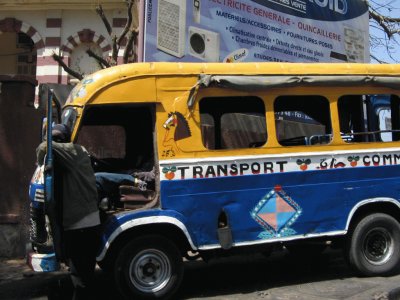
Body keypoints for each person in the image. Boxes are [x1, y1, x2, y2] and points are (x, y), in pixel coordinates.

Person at [36, 124, 100, 300]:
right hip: (84, 221)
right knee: (82, 272)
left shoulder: (72, 151)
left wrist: (46, 138)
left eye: (57, 139)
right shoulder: (74, 154)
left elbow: (43, 147)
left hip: (81, 223)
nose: (56, 143)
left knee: (80, 275)